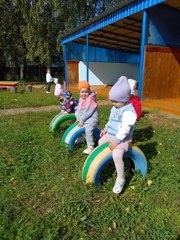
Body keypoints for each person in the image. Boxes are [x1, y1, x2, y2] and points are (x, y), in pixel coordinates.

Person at [98, 76, 137, 194]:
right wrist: (105, 129)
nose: (113, 103)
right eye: (112, 100)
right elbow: (111, 121)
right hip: (112, 135)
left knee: (117, 154)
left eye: (116, 101)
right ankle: (105, 161)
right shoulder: (115, 108)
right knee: (100, 142)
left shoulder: (129, 111)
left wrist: (116, 141)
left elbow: (125, 129)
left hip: (123, 139)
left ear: (125, 99)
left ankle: (120, 178)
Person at [75, 81, 98, 155]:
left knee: (88, 130)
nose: (84, 94)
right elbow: (79, 110)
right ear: (79, 92)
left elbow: (88, 112)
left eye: (86, 92)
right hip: (84, 118)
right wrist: (78, 118)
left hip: (91, 119)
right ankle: (81, 139)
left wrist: (82, 119)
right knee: (78, 126)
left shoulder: (90, 100)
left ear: (89, 91)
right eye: (82, 92)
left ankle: (91, 146)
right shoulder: (81, 99)